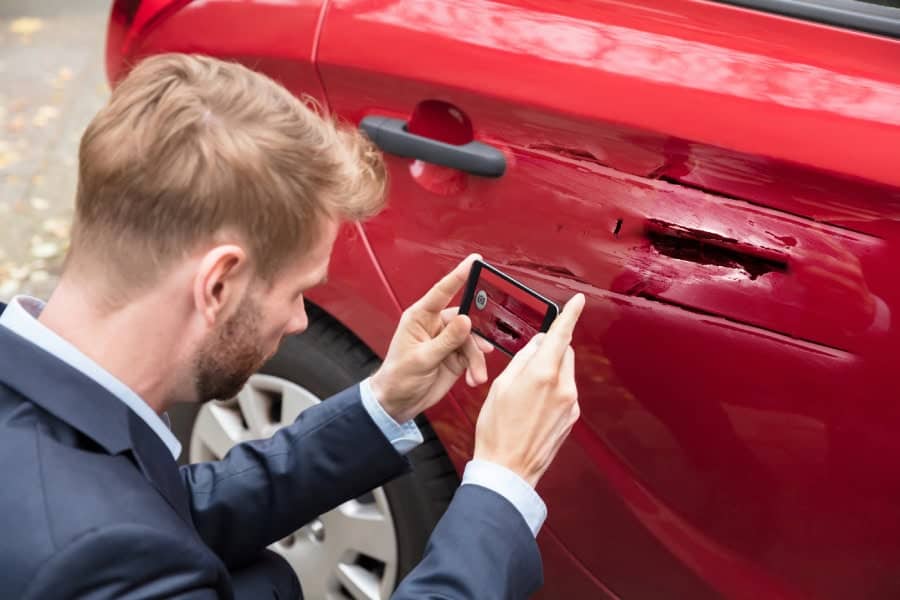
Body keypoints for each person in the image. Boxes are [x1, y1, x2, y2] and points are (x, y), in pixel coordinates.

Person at [0, 54, 584, 599]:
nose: (302, 321)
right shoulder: (94, 561)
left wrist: (384, 403)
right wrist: (500, 484)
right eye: (300, 291)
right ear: (219, 285)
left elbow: (174, 507)